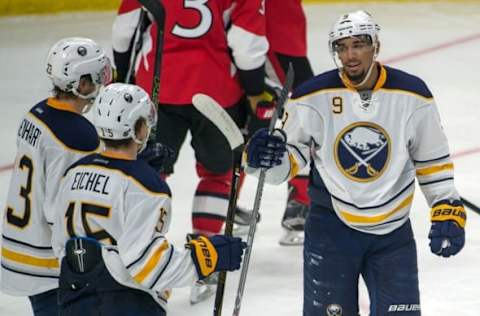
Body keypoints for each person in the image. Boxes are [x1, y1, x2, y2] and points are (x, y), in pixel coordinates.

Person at [245, 10, 466, 316]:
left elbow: (431, 160)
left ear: (376, 46)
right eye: (342, 47)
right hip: (331, 229)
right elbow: (289, 161)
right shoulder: (312, 95)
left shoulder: (413, 94)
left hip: (392, 231)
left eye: (358, 45)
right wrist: (264, 160)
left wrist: (446, 208)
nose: (350, 55)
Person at [112, 0, 269, 302]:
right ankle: (205, 258)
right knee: (218, 172)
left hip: (156, 87)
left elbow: (124, 32)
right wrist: (254, 91)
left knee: (147, 172)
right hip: (216, 87)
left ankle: (137, 257)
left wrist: (124, 76)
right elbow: (246, 43)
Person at [52, 83, 246, 315]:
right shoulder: (146, 186)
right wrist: (209, 257)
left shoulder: (74, 171)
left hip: (73, 297)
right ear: (141, 128)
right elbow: (149, 267)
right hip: (123, 303)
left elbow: (60, 245)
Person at [0, 37, 111, 315]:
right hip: (46, 262)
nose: (99, 84)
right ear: (82, 84)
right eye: (96, 77)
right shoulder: (80, 136)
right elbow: (63, 209)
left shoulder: (36, 113)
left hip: (18, 245)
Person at [234, 0, 315, 245]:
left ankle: (226, 205)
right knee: (303, 116)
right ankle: (300, 204)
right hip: (269, 38)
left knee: (254, 121)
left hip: (262, 34)